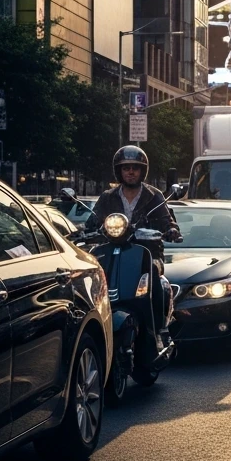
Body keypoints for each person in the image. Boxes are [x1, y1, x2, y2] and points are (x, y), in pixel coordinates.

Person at [87, 146, 182, 348]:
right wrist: (83, 231)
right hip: (113, 253)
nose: (130, 172)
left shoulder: (154, 196)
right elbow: (92, 221)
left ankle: (159, 330)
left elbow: (167, 220)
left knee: (155, 282)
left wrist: (171, 230)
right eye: (126, 168)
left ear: (142, 171)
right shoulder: (108, 197)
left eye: (135, 168)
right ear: (118, 171)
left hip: (146, 254)